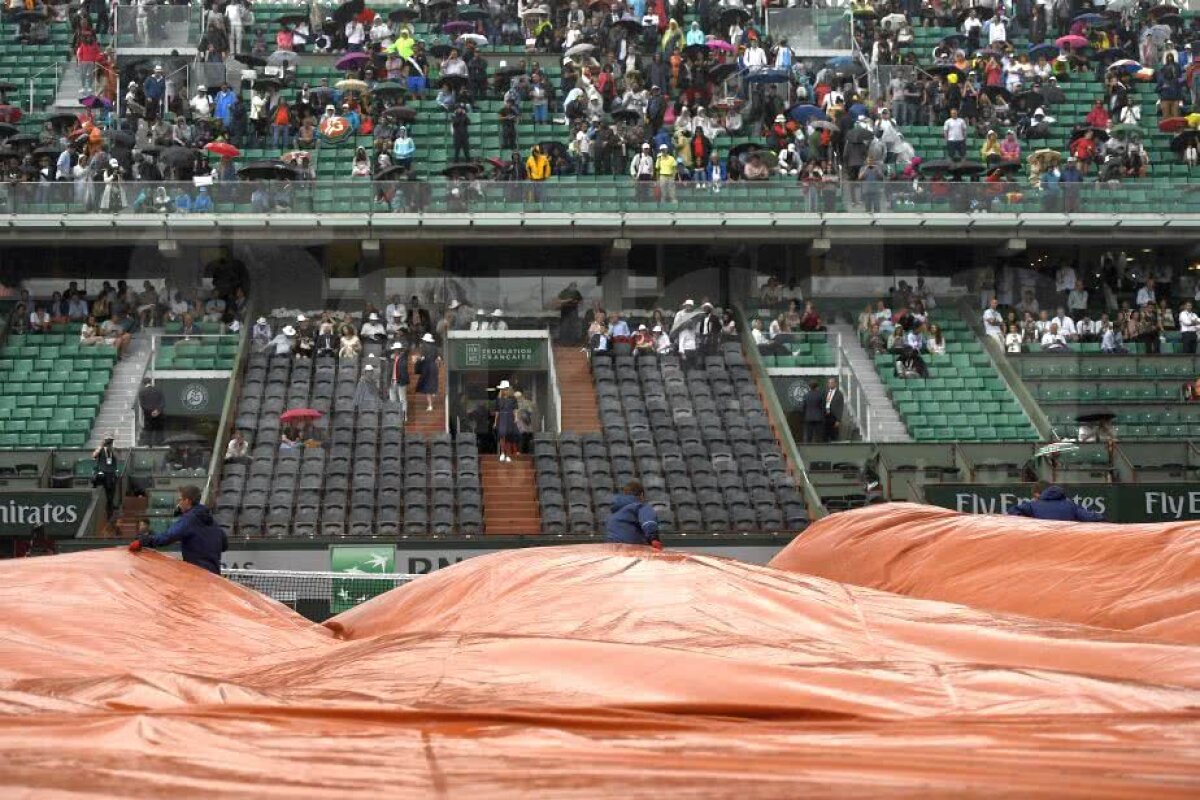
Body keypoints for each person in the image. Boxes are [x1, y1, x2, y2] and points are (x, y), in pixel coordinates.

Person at [129, 485, 229, 575]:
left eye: (180, 500)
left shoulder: (189, 519)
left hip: (198, 575)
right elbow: (224, 545)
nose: (178, 503)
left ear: (187, 501)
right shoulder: (211, 520)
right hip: (215, 576)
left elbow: (167, 537)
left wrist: (144, 540)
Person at [604, 479, 662, 549]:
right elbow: (648, 521)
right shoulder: (640, 505)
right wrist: (654, 538)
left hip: (611, 548)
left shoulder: (614, 512)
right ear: (641, 495)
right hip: (630, 548)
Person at [1006, 483, 1105, 522]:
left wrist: (1029, 522)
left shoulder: (1033, 505)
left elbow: (1012, 510)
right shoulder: (1070, 505)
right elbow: (1091, 517)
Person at [92, 435, 119, 516]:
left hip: (111, 473)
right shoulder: (100, 449)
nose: (109, 443)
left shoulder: (113, 450)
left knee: (111, 493)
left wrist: (112, 449)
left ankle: (110, 506)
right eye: (108, 441)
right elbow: (94, 455)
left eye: (110, 441)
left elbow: (117, 457)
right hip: (103, 472)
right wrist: (101, 445)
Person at [493, 380, 519, 463]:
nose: (503, 390)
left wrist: (516, 418)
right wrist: (495, 422)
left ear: (508, 389)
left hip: (510, 417)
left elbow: (515, 409)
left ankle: (507, 455)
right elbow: (497, 411)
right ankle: (502, 453)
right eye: (502, 389)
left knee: (508, 437)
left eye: (505, 389)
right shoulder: (498, 399)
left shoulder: (513, 399)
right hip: (501, 417)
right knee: (502, 436)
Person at [415, 332, 440, 411]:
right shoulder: (435, 348)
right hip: (434, 367)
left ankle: (430, 405)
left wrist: (417, 360)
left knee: (427, 387)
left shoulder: (424, 347)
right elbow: (438, 359)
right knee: (433, 383)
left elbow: (422, 358)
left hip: (426, 367)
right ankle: (434, 393)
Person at [386, 340, 409, 422]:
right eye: (395, 349)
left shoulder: (403, 358)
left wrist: (396, 359)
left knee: (402, 399)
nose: (396, 350)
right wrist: (391, 360)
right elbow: (389, 370)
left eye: (398, 349)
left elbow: (403, 368)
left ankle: (403, 416)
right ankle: (395, 416)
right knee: (392, 400)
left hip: (401, 381)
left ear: (400, 350)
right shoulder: (391, 358)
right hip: (392, 381)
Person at [138, 379, 165, 445]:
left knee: (148, 430)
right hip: (158, 414)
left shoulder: (142, 392)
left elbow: (142, 405)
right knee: (158, 429)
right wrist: (157, 410)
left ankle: (149, 445)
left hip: (148, 415)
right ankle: (159, 444)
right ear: (150, 382)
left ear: (144, 384)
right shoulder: (158, 390)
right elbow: (163, 403)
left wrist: (151, 412)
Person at [823, 377, 844, 443]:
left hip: (834, 417)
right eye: (829, 383)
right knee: (825, 435)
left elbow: (841, 407)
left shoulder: (839, 394)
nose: (830, 384)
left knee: (834, 436)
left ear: (835, 384)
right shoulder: (826, 392)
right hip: (826, 416)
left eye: (832, 383)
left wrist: (838, 420)